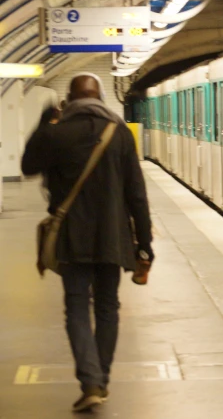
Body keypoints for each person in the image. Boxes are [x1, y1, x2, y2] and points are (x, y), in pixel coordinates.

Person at [21, 74, 153, 412]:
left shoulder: (58, 132)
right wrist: (145, 243)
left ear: (70, 100)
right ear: (101, 99)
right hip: (113, 238)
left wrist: (43, 122)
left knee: (77, 308)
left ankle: (90, 381)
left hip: (72, 238)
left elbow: (28, 166)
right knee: (108, 308)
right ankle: (101, 381)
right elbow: (136, 194)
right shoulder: (120, 133)